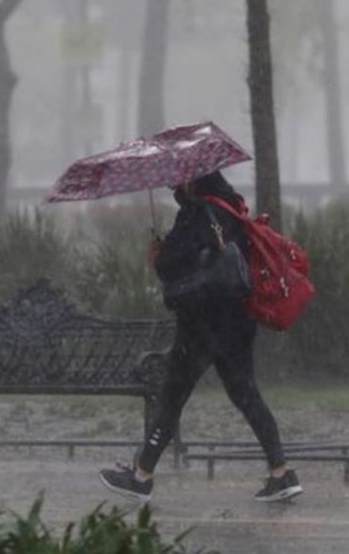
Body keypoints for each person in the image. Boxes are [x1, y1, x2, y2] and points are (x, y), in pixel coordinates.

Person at [99, 171, 302, 503]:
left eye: (180, 181)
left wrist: (158, 255)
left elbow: (172, 264)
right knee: (246, 394)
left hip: (202, 323)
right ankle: (281, 472)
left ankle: (141, 476)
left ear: (194, 180)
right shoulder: (232, 207)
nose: (176, 187)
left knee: (172, 397)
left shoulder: (196, 212)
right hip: (237, 319)